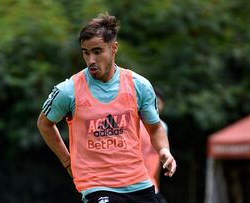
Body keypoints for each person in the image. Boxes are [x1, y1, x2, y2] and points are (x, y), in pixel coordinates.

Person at [37, 13, 177, 203]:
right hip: (97, 186)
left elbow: (155, 127)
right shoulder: (68, 90)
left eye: (97, 51)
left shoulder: (139, 85)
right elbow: (44, 124)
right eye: (85, 52)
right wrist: (68, 161)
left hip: (139, 183)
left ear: (114, 48)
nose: (91, 60)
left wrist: (164, 151)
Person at [140, 88, 169, 203]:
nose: (156, 106)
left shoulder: (163, 128)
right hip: (133, 182)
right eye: (153, 102)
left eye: (159, 103)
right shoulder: (136, 124)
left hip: (151, 184)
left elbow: (158, 161)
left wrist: (157, 185)